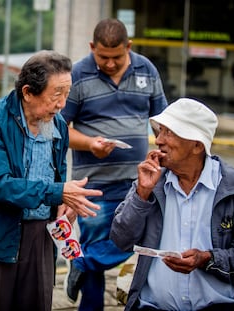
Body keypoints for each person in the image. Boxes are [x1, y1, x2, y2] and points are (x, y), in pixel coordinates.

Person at [0, 50, 103, 311]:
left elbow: (58, 172)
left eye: (66, 94)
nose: (62, 104)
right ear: (27, 92)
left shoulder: (58, 124)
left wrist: (64, 204)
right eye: (56, 95)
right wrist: (57, 192)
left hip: (41, 237)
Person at [110, 98, 234, 311]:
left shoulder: (233, 186)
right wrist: (141, 194)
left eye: (169, 133)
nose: (159, 140)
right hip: (154, 306)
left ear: (197, 145)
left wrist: (207, 259)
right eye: (159, 131)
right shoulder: (150, 183)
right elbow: (121, 240)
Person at [61, 18, 168, 309]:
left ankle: (82, 261)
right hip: (93, 183)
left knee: (144, 239)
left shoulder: (147, 69)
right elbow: (60, 130)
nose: (109, 64)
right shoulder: (78, 74)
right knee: (97, 243)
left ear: (129, 47)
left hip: (139, 182)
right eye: (103, 57)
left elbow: (162, 123)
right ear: (92, 47)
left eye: (117, 57)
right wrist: (90, 144)